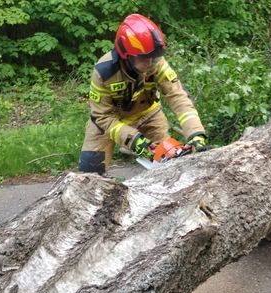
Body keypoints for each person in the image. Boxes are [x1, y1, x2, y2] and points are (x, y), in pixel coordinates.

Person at [78, 14, 207, 174]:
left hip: (149, 115)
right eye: (144, 58)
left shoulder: (156, 63)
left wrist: (196, 133)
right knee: (89, 175)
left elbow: (178, 97)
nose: (149, 63)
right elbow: (102, 117)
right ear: (127, 55)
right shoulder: (104, 73)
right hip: (109, 122)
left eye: (153, 58)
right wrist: (133, 139)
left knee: (169, 165)